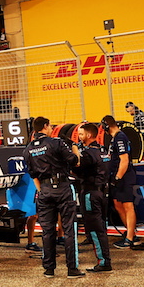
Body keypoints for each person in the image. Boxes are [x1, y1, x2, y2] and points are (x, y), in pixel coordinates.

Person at [23, 117, 83, 278]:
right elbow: (75, 161)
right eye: (50, 126)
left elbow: (33, 174)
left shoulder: (27, 150)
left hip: (44, 190)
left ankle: (49, 268)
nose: (51, 129)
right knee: (69, 228)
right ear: (44, 127)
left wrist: (42, 190)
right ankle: (72, 269)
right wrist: (75, 147)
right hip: (62, 187)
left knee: (47, 231)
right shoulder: (56, 143)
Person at [74, 123, 112, 273]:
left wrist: (74, 151)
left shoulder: (88, 154)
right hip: (103, 193)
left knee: (96, 230)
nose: (79, 137)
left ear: (89, 135)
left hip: (91, 194)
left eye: (81, 134)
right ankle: (105, 260)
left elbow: (76, 166)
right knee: (102, 228)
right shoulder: (103, 150)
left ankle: (104, 262)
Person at [103, 116, 137, 248]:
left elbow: (124, 160)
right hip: (117, 176)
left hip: (124, 176)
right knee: (117, 204)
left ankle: (130, 238)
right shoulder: (115, 138)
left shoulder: (120, 137)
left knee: (128, 206)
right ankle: (130, 232)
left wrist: (118, 177)